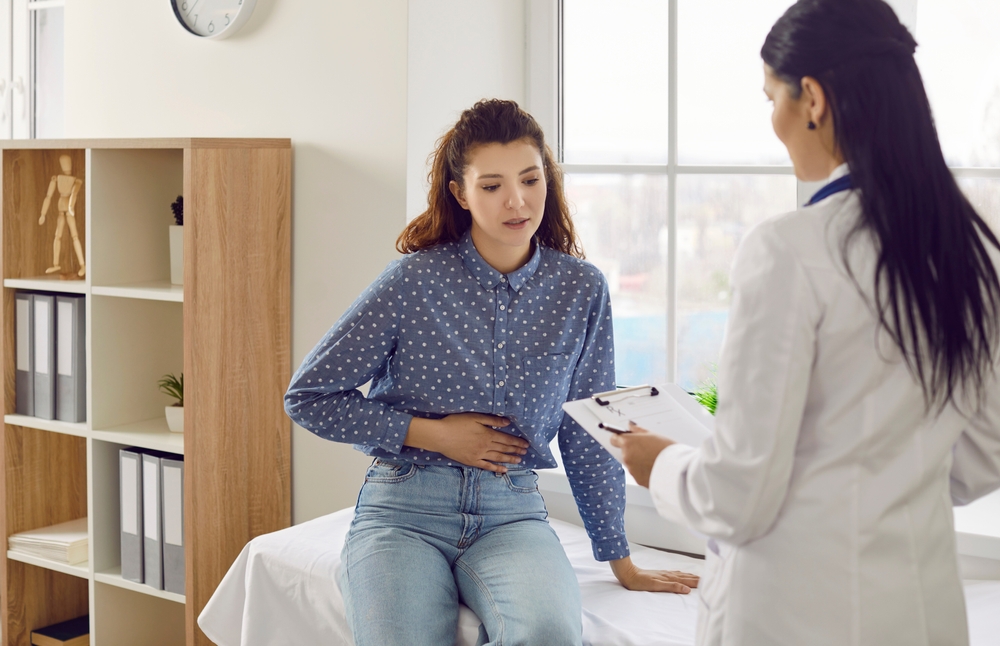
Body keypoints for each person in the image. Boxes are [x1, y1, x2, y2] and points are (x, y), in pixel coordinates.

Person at [612, 1, 1000, 644]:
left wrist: (664, 465)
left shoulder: (788, 249)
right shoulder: (968, 248)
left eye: (773, 99)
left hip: (797, 616)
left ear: (812, 99)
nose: (775, 122)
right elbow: (985, 454)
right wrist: (885, 485)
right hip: (921, 613)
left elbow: (739, 495)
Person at [285, 99, 698, 646]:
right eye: (492, 185)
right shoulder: (414, 281)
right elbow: (309, 395)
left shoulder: (581, 288)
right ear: (460, 192)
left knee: (550, 635)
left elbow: (584, 429)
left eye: (530, 179)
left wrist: (619, 559)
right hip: (403, 508)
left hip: (513, 513)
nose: (517, 201)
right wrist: (433, 434)